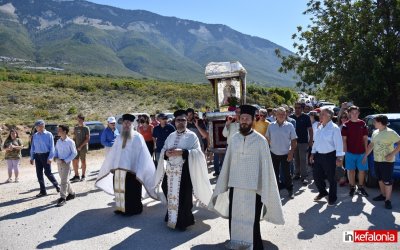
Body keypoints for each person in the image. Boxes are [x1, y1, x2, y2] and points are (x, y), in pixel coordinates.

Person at [209, 105, 284, 250]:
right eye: (242, 118)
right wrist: (224, 183)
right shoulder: (235, 139)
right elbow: (227, 164)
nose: (244, 121)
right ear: (239, 119)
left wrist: (264, 187)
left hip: (254, 189)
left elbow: (266, 168)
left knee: (252, 221)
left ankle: (254, 246)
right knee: (235, 219)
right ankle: (236, 244)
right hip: (235, 186)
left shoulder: (261, 141)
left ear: (252, 121)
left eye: (247, 119)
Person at [154, 109, 212, 230]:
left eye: (183, 120)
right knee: (167, 190)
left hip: (185, 171)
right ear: (175, 122)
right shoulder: (171, 136)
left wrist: (183, 152)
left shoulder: (192, 136)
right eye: (178, 120)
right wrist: (166, 154)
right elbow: (164, 149)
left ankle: (183, 221)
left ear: (186, 121)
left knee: (184, 196)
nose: (181, 122)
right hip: (170, 171)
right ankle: (171, 216)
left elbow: (198, 153)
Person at [96, 114, 157, 215]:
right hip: (119, 169)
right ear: (122, 124)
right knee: (120, 190)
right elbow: (114, 153)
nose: (126, 125)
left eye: (129, 123)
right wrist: (112, 165)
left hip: (132, 170)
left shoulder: (138, 137)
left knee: (132, 190)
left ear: (132, 124)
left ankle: (134, 209)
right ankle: (121, 208)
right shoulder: (119, 137)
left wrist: (139, 168)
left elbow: (142, 154)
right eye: (125, 123)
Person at [362, 115, 400, 209]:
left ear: (381, 123)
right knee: (380, 179)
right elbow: (371, 145)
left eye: (375, 122)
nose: (374, 123)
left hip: (387, 162)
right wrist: (365, 156)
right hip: (377, 160)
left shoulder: (391, 133)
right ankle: (383, 195)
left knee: (387, 181)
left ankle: (388, 200)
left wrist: (392, 154)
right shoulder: (375, 132)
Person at [310, 108, 344, 206]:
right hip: (318, 155)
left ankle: (332, 198)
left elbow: (339, 144)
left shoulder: (334, 128)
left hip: (330, 156)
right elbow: (316, 142)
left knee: (331, 178)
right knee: (316, 176)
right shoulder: (319, 127)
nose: (320, 116)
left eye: (323, 114)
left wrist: (339, 158)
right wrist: (312, 153)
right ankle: (323, 192)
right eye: (320, 114)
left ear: (329, 116)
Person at [266, 107, 297, 198]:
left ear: (286, 115)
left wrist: (291, 152)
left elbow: (294, 140)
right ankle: (276, 191)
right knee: (274, 173)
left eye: (283, 114)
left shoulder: (290, 125)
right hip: (273, 153)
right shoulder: (271, 125)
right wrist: (269, 148)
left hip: (285, 154)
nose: (281, 115)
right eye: (279, 114)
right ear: (276, 115)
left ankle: (290, 190)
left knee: (287, 174)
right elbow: (267, 138)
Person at [341, 106, 369, 197]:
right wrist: (344, 152)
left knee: (362, 171)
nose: (354, 114)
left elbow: (365, 139)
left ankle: (361, 187)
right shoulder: (346, 125)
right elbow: (344, 140)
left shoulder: (363, 123)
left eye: (356, 113)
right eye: (352, 113)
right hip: (350, 152)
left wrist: (366, 152)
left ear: (359, 113)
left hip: (362, 152)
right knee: (351, 171)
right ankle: (352, 187)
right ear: (349, 113)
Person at [30, 120, 60, 197]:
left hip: (46, 156)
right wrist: (32, 157)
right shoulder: (35, 135)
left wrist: (50, 158)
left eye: (38, 126)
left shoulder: (49, 134)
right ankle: (43, 191)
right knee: (39, 174)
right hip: (37, 156)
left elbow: (52, 147)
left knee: (47, 173)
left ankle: (57, 186)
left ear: (42, 126)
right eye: (36, 127)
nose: (36, 128)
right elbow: (33, 147)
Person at [54, 125, 78, 207]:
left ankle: (62, 198)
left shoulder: (70, 142)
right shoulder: (58, 141)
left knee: (63, 181)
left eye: (60, 130)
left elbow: (74, 153)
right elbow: (56, 151)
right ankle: (72, 193)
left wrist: (66, 160)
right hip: (59, 163)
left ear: (64, 131)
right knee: (65, 180)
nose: (58, 131)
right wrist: (55, 157)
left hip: (66, 164)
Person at [291, 102, 313, 185]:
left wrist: (310, 141)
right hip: (293, 141)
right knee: (296, 159)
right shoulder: (291, 117)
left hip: (303, 142)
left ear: (302, 109)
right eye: (296, 107)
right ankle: (297, 174)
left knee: (303, 159)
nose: (297, 109)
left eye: (299, 108)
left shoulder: (306, 117)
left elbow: (310, 130)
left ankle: (304, 177)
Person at [71, 114, 90, 182]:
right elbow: (74, 138)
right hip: (76, 147)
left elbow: (87, 139)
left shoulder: (86, 128)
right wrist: (73, 146)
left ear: (83, 120)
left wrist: (80, 146)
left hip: (83, 147)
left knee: (83, 161)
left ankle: (83, 175)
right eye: (78, 120)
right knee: (74, 161)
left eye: (80, 120)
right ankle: (76, 176)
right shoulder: (76, 128)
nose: (79, 121)